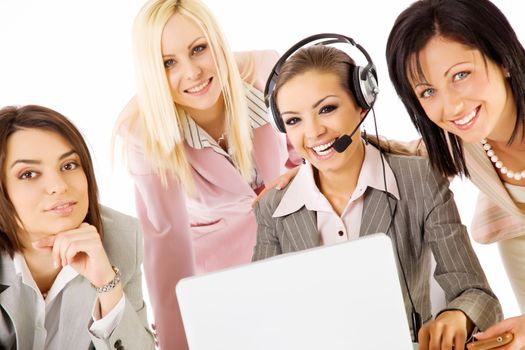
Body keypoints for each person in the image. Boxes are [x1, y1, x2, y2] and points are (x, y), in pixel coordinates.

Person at [253, 39, 502, 349]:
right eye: (293, 120)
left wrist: (455, 315)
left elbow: (478, 295)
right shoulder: (274, 208)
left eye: (327, 109)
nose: (313, 132)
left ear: (362, 103)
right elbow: (262, 316)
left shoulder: (420, 180)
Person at [115, 0, 298, 348]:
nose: (192, 73)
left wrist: (298, 180)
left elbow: (306, 149)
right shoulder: (143, 133)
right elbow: (167, 247)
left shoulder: (266, 72)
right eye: (168, 62)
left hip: (294, 251)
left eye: (198, 49)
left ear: (217, 40)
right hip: (219, 278)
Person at [386, 0, 525, 347]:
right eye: (428, 91)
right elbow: (403, 154)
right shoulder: (465, 143)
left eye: (460, 75)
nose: (451, 107)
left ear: (503, 57)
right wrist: (306, 169)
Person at [0, 105, 154, 349]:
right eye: (28, 174)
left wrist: (106, 282)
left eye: (69, 165)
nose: (58, 186)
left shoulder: (122, 238)